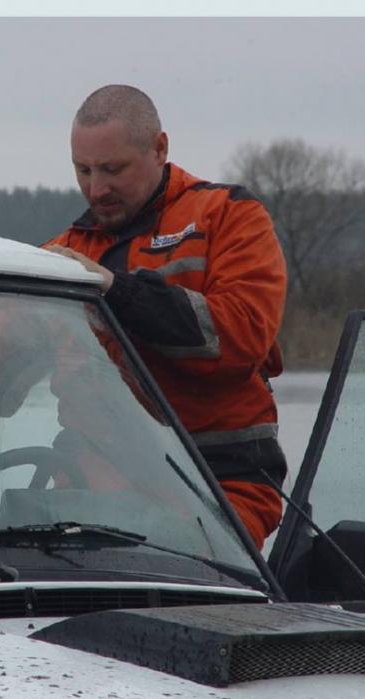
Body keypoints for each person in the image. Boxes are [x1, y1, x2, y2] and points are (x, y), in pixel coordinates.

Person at [42, 84, 288, 549]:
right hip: (88, 496)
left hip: (218, 489)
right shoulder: (60, 257)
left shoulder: (229, 217)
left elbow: (241, 337)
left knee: (187, 566)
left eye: (113, 169)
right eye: (83, 170)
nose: (96, 188)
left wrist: (116, 291)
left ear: (159, 149)